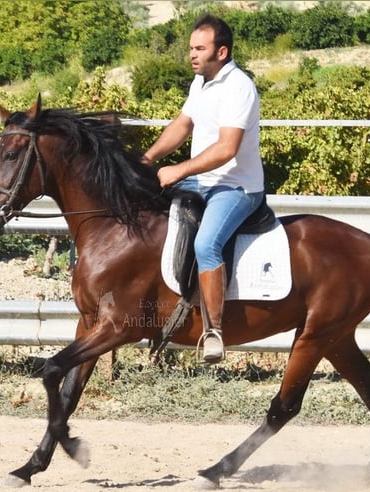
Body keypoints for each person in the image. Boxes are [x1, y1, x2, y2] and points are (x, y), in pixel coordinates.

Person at [141, 13, 265, 363]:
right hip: (204, 180)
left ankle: (214, 332)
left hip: (237, 187)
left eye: (200, 48)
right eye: (191, 48)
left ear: (221, 52)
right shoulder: (201, 83)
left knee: (206, 244)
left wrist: (178, 169)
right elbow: (182, 125)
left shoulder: (239, 87)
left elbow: (227, 149)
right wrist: (148, 160)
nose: (192, 55)